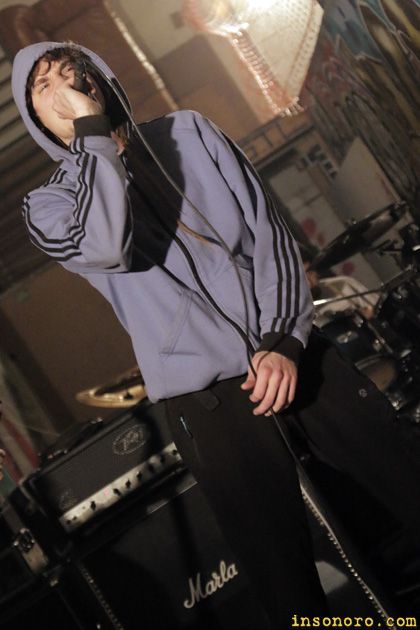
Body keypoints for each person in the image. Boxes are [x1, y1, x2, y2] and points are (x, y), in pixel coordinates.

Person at [11, 42, 420, 626]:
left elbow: (269, 235)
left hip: (291, 354)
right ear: (35, 116)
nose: (63, 87)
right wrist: (93, 137)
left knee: (404, 477)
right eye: (43, 85)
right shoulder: (49, 204)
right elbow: (105, 244)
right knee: (283, 575)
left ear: (97, 75)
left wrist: (285, 342)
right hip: (208, 401)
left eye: (70, 70)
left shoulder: (189, 133)